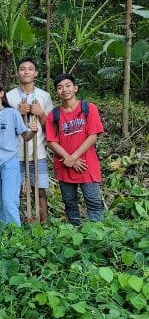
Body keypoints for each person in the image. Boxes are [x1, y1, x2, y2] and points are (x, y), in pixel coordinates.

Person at [45, 74, 104, 226]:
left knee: (94, 202)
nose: (64, 90)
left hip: (86, 165)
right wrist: (69, 159)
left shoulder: (88, 108)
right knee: (70, 204)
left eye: (68, 85)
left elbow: (93, 136)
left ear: (75, 88)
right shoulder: (54, 115)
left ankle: (97, 235)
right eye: (60, 87)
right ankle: (75, 233)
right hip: (64, 166)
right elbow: (51, 141)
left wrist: (74, 157)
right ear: (56, 92)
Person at [0, 80, 37, 226]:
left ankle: (16, 237)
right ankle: (2, 236)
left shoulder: (12, 113)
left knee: (9, 201)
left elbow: (25, 136)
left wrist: (33, 131)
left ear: (1, 93)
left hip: (9, 162)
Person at [7, 57, 53, 222]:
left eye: (30, 69)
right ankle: (17, 223)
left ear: (36, 73)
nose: (26, 72)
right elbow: (4, 126)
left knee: (39, 189)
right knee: (15, 190)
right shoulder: (9, 96)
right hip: (14, 152)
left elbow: (50, 127)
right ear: (17, 72)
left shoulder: (44, 96)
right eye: (22, 69)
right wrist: (17, 113)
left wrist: (40, 112)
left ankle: (43, 223)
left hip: (37, 150)